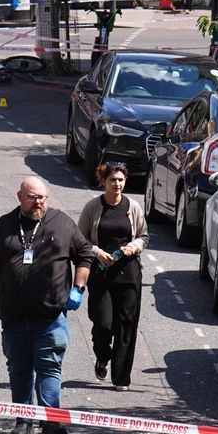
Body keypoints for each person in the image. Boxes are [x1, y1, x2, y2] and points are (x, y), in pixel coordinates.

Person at [0, 177, 93, 434]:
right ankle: (23, 421)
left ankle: (51, 422)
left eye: (43, 197)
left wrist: (78, 287)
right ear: (20, 196)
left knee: (49, 369)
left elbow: (84, 254)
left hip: (50, 317)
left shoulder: (62, 223)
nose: (39, 203)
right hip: (14, 317)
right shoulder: (4, 226)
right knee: (19, 370)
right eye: (33, 198)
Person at [77, 162, 148, 391]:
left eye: (120, 180)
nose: (117, 184)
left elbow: (144, 236)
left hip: (128, 273)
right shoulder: (92, 207)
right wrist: (97, 252)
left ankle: (121, 378)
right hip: (101, 274)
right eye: (112, 180)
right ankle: (102, 356)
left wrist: (133, 247)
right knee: (104, 324)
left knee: (127, 325)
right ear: (103, 182)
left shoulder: (133, 207)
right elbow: (80, 240)